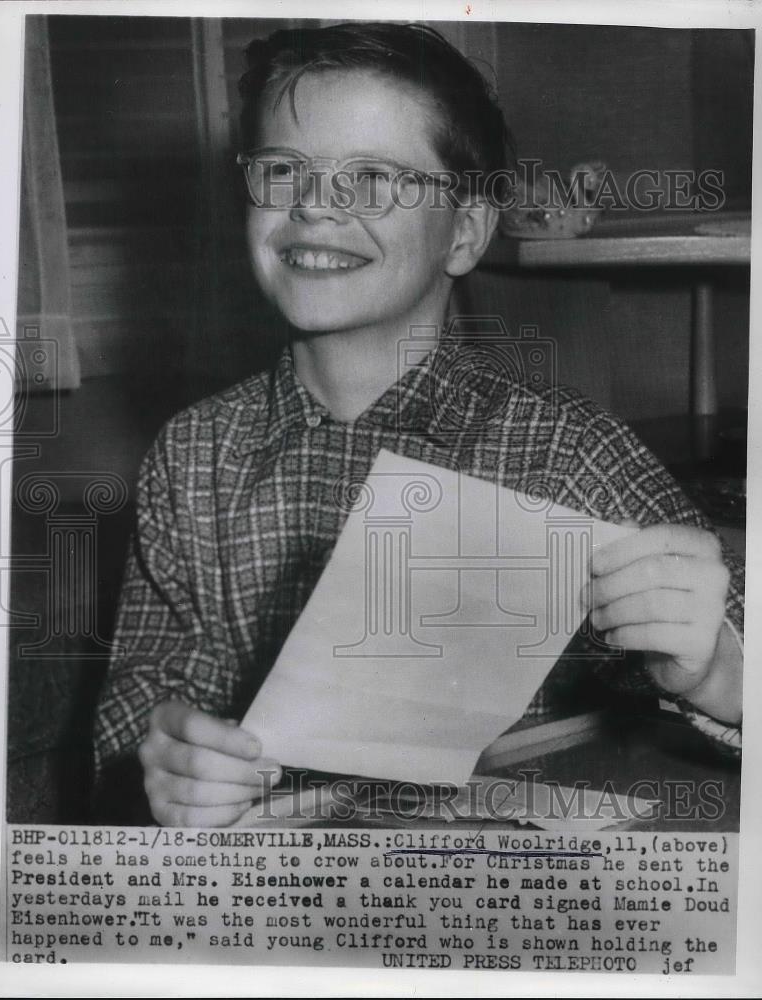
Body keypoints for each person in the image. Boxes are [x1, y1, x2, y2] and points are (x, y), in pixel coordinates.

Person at [93, 21, 743, 827]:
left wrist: (720, 669)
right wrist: (164, 767)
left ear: (465, 233)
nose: (316, 206)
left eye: (374, 177)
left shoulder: (568, 447)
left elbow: (733, 635)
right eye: (282, 169)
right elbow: (137, 710)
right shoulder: (191, 455)